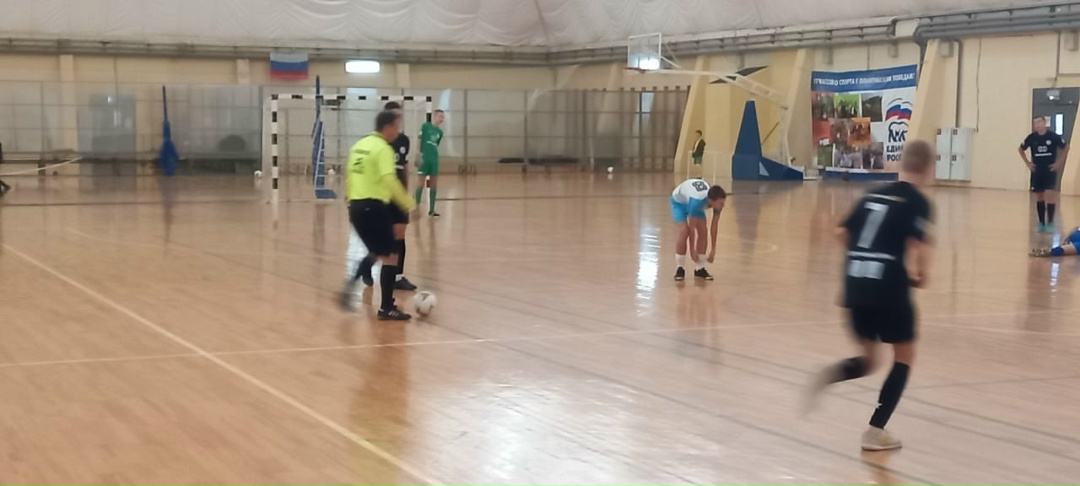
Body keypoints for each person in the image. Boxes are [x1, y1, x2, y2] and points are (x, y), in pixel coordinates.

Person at [805, 140, 936, 451]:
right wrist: (921, 274)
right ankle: (875, 431)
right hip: (889, 285)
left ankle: (829, 375)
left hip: (855, 283)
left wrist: (860, 258)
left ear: (902, 163)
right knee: (904, 355)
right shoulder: (918, 202)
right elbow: (921, 245)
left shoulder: (871, 193)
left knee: (869, 360)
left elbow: (840, 231)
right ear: (929, 169)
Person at [339, 109, 417, 321]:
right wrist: (409, 204)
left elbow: (350, 176)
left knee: (377, 251)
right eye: (396, 127)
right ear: (388, 127)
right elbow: (390, 180)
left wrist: (350, 204)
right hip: (373, 207)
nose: (397, 132)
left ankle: (352, 283)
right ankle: (386, 307)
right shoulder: (383, 149)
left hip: (356, 206)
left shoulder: (359, 146)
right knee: (390, 255)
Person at [353, 101, 418, 291]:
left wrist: (405, 194)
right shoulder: (376, 143)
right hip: (381, 195)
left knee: (399, 235)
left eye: (399, 116)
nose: (398, 121)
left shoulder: (404, 140)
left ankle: (398, 276)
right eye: (394, 116)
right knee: (384, 241)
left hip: (398, 195)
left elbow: (404, 167)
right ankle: (368, 267)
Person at [670, 178, 726, 281]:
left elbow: (714, 225)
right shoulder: (696, 202)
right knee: (684, 231)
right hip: (679, 203)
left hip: (694, 201)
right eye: (720, 203)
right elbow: (692, 228)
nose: (723, 205)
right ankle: (680, 268)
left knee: (703, 231)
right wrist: (692, 251)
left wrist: (713, 249)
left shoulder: (717, 202)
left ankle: (700, 268)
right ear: (711, 201)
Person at [1019, 116, 1068, 233]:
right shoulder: (1032, 137)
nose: (1037, 125)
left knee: (1050, 195)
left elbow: (1066, 147)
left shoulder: (1053, 136)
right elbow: (1021, 149)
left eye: (1039, 122)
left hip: (1050, 170)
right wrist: (1028, 163)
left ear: (1044, 123)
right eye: (1035, 123)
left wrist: (1059, 162)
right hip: (1037, 171)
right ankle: (1041, 223)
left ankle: (1050, 223)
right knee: (1039, 197)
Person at [415, 109, 445, 217]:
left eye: (443, 117)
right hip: (424, 158)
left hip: (434, 160)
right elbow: (419, 139)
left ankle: (432, 210)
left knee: (434, 184)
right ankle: (416, 207)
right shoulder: (425, 126)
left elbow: (436, 144)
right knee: (420, 182)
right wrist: (418, 153)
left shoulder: (440, 132)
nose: (442, 119)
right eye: (440, 116)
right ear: (434, 116)